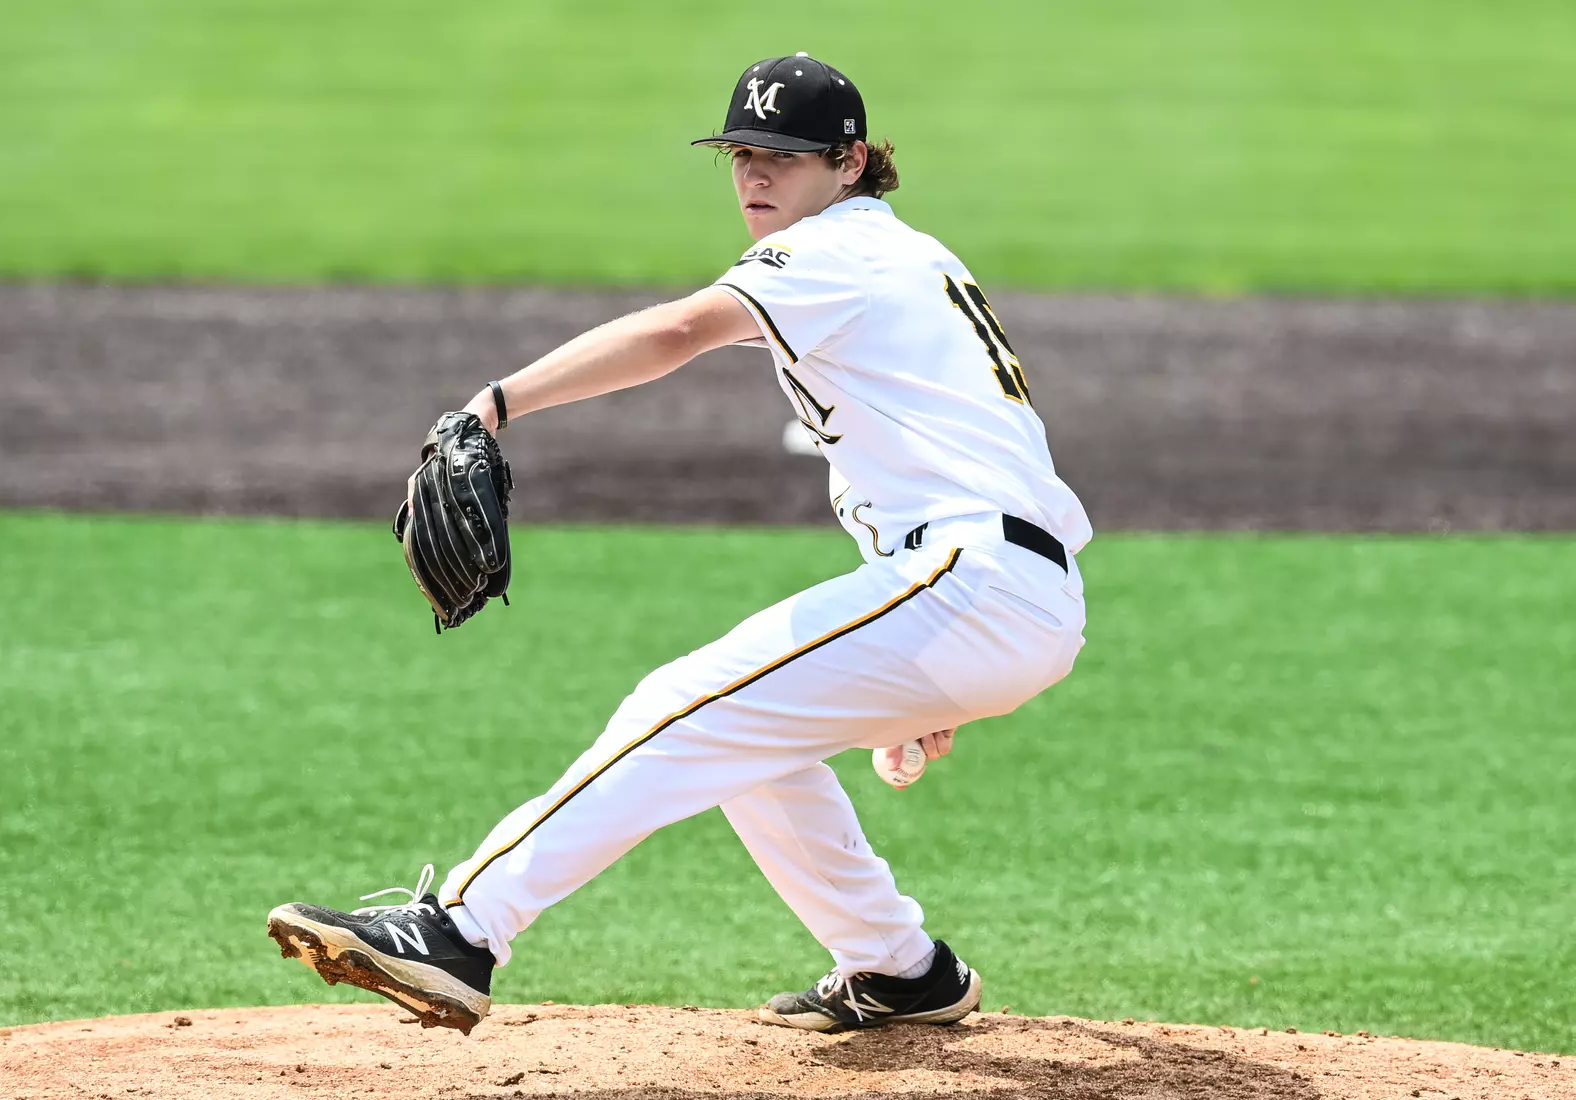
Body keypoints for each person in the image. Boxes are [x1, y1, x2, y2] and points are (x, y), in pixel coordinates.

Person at [268, 53, 1091, 1036]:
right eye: (742, 153)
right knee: (750, 734)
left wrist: (492, 407)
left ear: (849, 161)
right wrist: (936, 673)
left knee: (683, 701)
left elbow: (679, 330)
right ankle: (899, 966)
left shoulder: (838, 249)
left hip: (971, 578)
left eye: (782, 157)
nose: (755, 176)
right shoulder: (900, 259)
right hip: (987, 585)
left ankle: (461, 928)